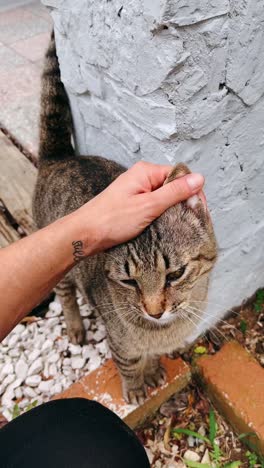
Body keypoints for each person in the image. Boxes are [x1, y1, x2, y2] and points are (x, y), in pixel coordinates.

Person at [0, 161, 204, 467]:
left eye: (173, 275)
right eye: (130, 281)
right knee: (65, 280)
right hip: (58, 197)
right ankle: (68, 303)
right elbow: (121, 346)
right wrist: (135, 379)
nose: (153, 308)